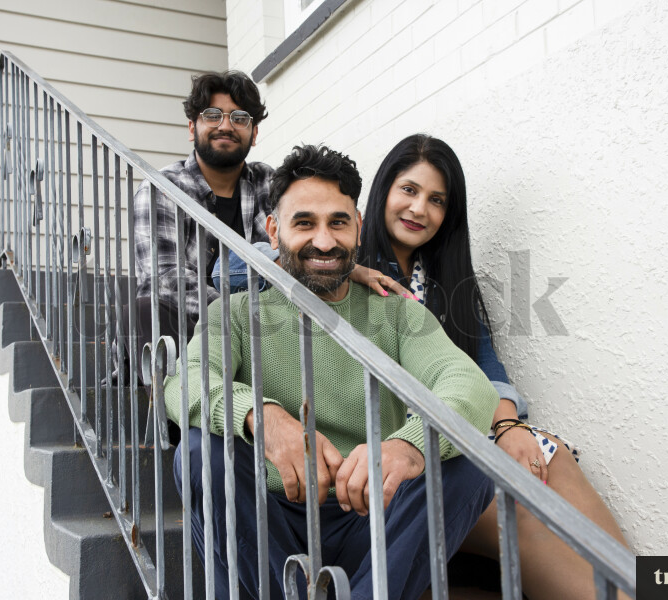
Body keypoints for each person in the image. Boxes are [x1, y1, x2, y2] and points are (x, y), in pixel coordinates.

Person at [164, 144, 500, 599]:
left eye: (337, 222)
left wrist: (408, 445)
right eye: (305, 223)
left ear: (358, 229)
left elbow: (469, 386)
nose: (324, 241)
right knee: (200, 450)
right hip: (265, 516)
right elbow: (186, 379)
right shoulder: (237, 313)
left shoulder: (398, 314)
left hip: (371, 518)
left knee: (469, 463)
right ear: (273, 230)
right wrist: (262, 418)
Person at [356, 134, 631, 600]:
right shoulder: (340, 265)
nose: (419, 208)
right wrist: (350, 271)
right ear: (383, 189)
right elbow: (236, 269)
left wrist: (508, 426)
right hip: (403, 448)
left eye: (436, 200)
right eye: (409, 189)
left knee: (549, 456)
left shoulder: (446, 280)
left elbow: (485, 363)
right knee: (515, 504)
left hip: (462, 430)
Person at [131, 70, 274, 361]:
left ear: (254, 133)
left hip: (263, 332)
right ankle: (172, 400)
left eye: (239, 118)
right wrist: (236, 313)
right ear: (192, 128)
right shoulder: (163, 188)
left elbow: (288, 255)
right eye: (212, 115)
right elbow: (164, 278)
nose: (226, 125)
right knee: (148, 309)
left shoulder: (267, 183)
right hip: (193, 328)